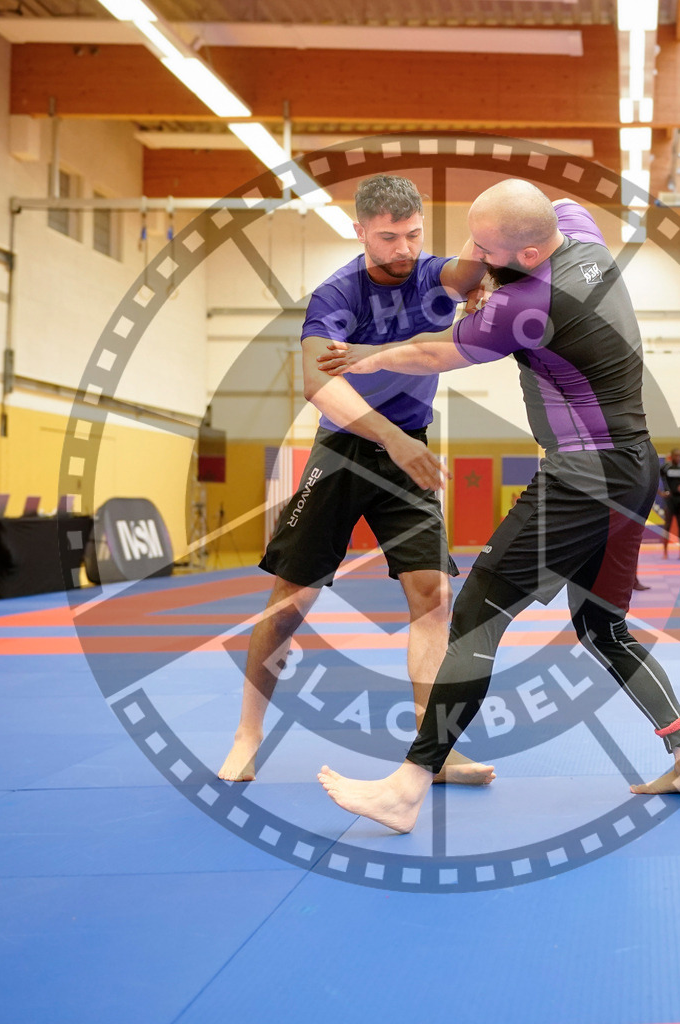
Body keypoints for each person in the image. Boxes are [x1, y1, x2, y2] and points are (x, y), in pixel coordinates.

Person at [315, 180, 680, 834]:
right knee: (602, 628)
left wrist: (363, 356)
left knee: (474, 619)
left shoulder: (529, 304)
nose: (474, 256)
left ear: (528, 254)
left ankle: (407, 785)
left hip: (585, 475)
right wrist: (485, 266)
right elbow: (536, 215)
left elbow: (433, 351)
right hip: (634, 466)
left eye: (490, 249)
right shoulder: (581, 231)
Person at [217, 174, 494, 786]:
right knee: (290, 602)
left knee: (432, 595)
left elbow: (483, 270)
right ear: (360, 230)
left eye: (414, 234)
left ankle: (432, 750)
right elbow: (319, 385)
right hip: (344, 450)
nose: (403, 249)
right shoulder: (337, 293)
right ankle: (247, 733)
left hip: (410, 452)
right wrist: (391, 438)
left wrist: (487, 288)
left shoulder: (432, 273)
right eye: (389, 237)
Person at [659, 448, 680, 558]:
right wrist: (660, 493)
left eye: (679, 456)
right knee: (667, 526)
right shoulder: (665, 467)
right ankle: (665, 552)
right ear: (671, 456)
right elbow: (654, 478)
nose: (678, 458)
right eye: (676, 456)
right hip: (669, 500)